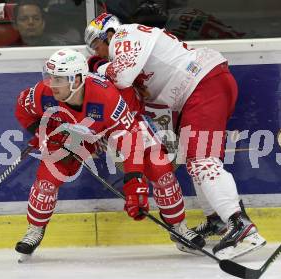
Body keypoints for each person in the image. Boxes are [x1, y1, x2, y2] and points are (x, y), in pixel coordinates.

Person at [84, 13, 266, 260]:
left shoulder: (124, 35)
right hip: (197, 90)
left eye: (98, 47)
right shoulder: (129, 47)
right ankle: (218, 220)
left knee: (202, 161)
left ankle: (242, 227)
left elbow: (123, 76)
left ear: (108, 33)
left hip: (202, 85)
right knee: (195, 162)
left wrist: (97, 68)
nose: (101, 54)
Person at [14, 48, 205, 260]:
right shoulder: (43, 92)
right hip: (77, 132)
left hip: (121, 127)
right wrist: (43, 133)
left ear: (76, 80)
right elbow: (23, 110)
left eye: (58, 79)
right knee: (48, 177)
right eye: (49, 77)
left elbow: (130, 141)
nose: (51, 83)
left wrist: (134, 184)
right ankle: (35, 229)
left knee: (160, 169)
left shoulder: (106, 97)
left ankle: (178, 227)